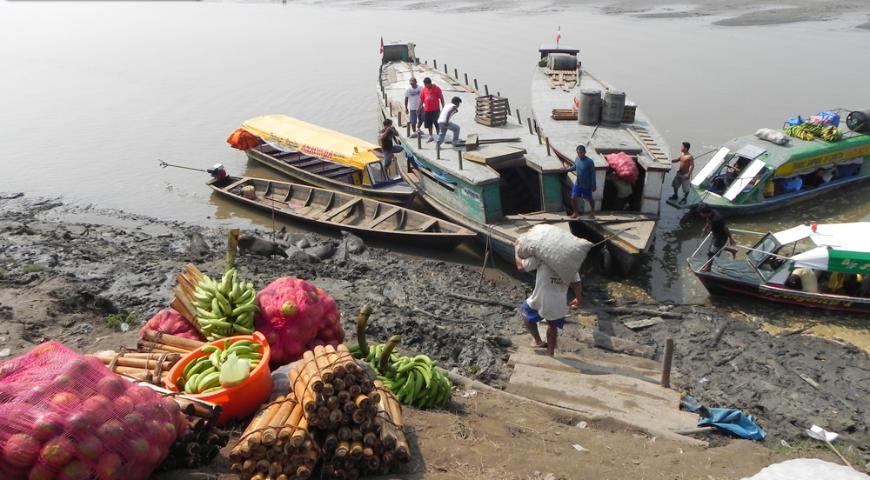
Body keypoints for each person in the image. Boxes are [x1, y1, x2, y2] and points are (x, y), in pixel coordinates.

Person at [515, 248, 583, 358]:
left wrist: (516, 251)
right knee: (552, 325)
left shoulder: (542, 257)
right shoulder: (571, 264)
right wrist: (579, 298)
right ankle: (550, 352)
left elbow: (521, 267)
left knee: (525, 313)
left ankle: (538, 341)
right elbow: (576, 283)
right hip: (558, 301)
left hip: (539, 299)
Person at [697, 203, 737, 272]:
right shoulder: (710, 213)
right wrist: (705, 228)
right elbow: (709, 221)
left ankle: (708, 268)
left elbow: (725, 229)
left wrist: (731, 239)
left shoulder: (717, 219)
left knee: (711, 252)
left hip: (721, 237)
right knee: (713, 249)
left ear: (706, 213)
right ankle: (732, 250)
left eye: (701, 213)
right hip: (715, 235)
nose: (700, 214)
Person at [561, 145, 596, 218]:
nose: (580, 154)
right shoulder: (577, 159)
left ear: (585, 152)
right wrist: (566, 170)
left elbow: (593, 174)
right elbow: (575, 167)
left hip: (587, 185)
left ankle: (593, 211)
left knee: (589, 199)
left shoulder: (589, 162)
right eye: (578, 153)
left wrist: (593, 185)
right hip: (578, 183)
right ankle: (576, 213)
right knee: (573, 197)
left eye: (581, 153)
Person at [420, 77, 444, 143]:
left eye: (426, 84)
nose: (425, 86)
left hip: (435, 110)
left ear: (429, 83)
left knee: (437, 123)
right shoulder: (424, 90)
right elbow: (422, 99)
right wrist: (419, 107)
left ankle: (438, 136)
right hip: (427, 110)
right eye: (424, 84)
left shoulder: (436, 89)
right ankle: (430, 136)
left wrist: (443, 107)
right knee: (428, 124)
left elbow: (441, 98)